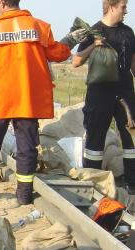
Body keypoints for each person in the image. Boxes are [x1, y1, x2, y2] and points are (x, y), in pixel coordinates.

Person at [0, 0, 88, 204]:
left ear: (0, 2)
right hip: (28, 97)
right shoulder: (39, 27)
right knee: (26, 146)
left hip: (1, 97)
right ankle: (24, 195)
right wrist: (71, 39)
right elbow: (58, 53)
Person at [73, 0, 135, 192]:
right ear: (111, 7)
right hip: (99, 94)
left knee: (130, 138)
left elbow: (133, 62)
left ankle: (132, 182)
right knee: (95, 139)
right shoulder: (94, 32)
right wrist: (94, 46)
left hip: (125, 92)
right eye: (123, 6)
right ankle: (94, 183)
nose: (126, 10)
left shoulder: (128, 32)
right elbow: (76, 61)